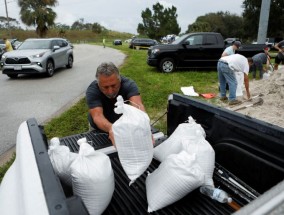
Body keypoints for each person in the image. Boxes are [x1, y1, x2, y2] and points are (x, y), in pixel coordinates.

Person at [86, 62, 146, 145]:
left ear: (119, 80)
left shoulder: (129, 85)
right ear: (98, 84)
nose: (110, 91)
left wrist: (143, 125)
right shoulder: (92, 90)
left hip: (124, 127)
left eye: (114, 86)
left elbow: (138, 107)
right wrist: (111, 129)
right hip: (98, 129)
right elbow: (97, 116)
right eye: (105, 87)